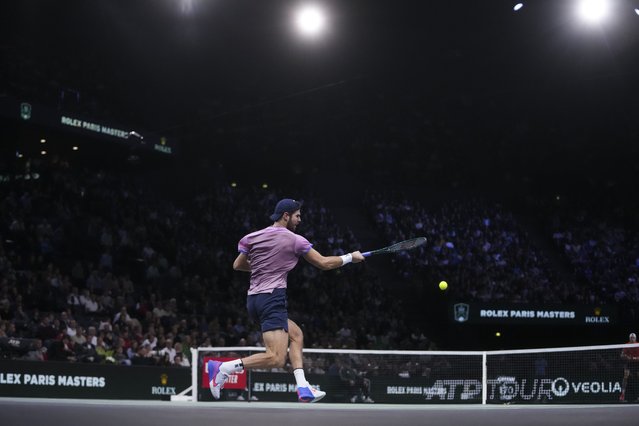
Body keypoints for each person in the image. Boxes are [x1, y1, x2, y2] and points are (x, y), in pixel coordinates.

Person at [207, 198, 365, 402]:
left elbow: (238, 265)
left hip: (254, 300)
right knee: (276, 357)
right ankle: (224, 367)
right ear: (286, 215)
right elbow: (324, 263)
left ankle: (303, 387)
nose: (300, 220)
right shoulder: (295, 240)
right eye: (297, 216)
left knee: (296, 334)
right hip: (272, 298)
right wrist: (351, 257)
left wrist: (266, 266)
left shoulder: (253, 236)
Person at [620, 332, 639, 402]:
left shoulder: (638, 345)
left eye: (633, 338)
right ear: (629, 338)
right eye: (631, 338)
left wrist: (636, 358)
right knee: (625, 376)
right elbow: (622, 355)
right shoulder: (627, 345)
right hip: (629, 363)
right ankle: (622, 395)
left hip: (637, 363)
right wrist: (626, 357)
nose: (632, 339)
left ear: (635, 338)